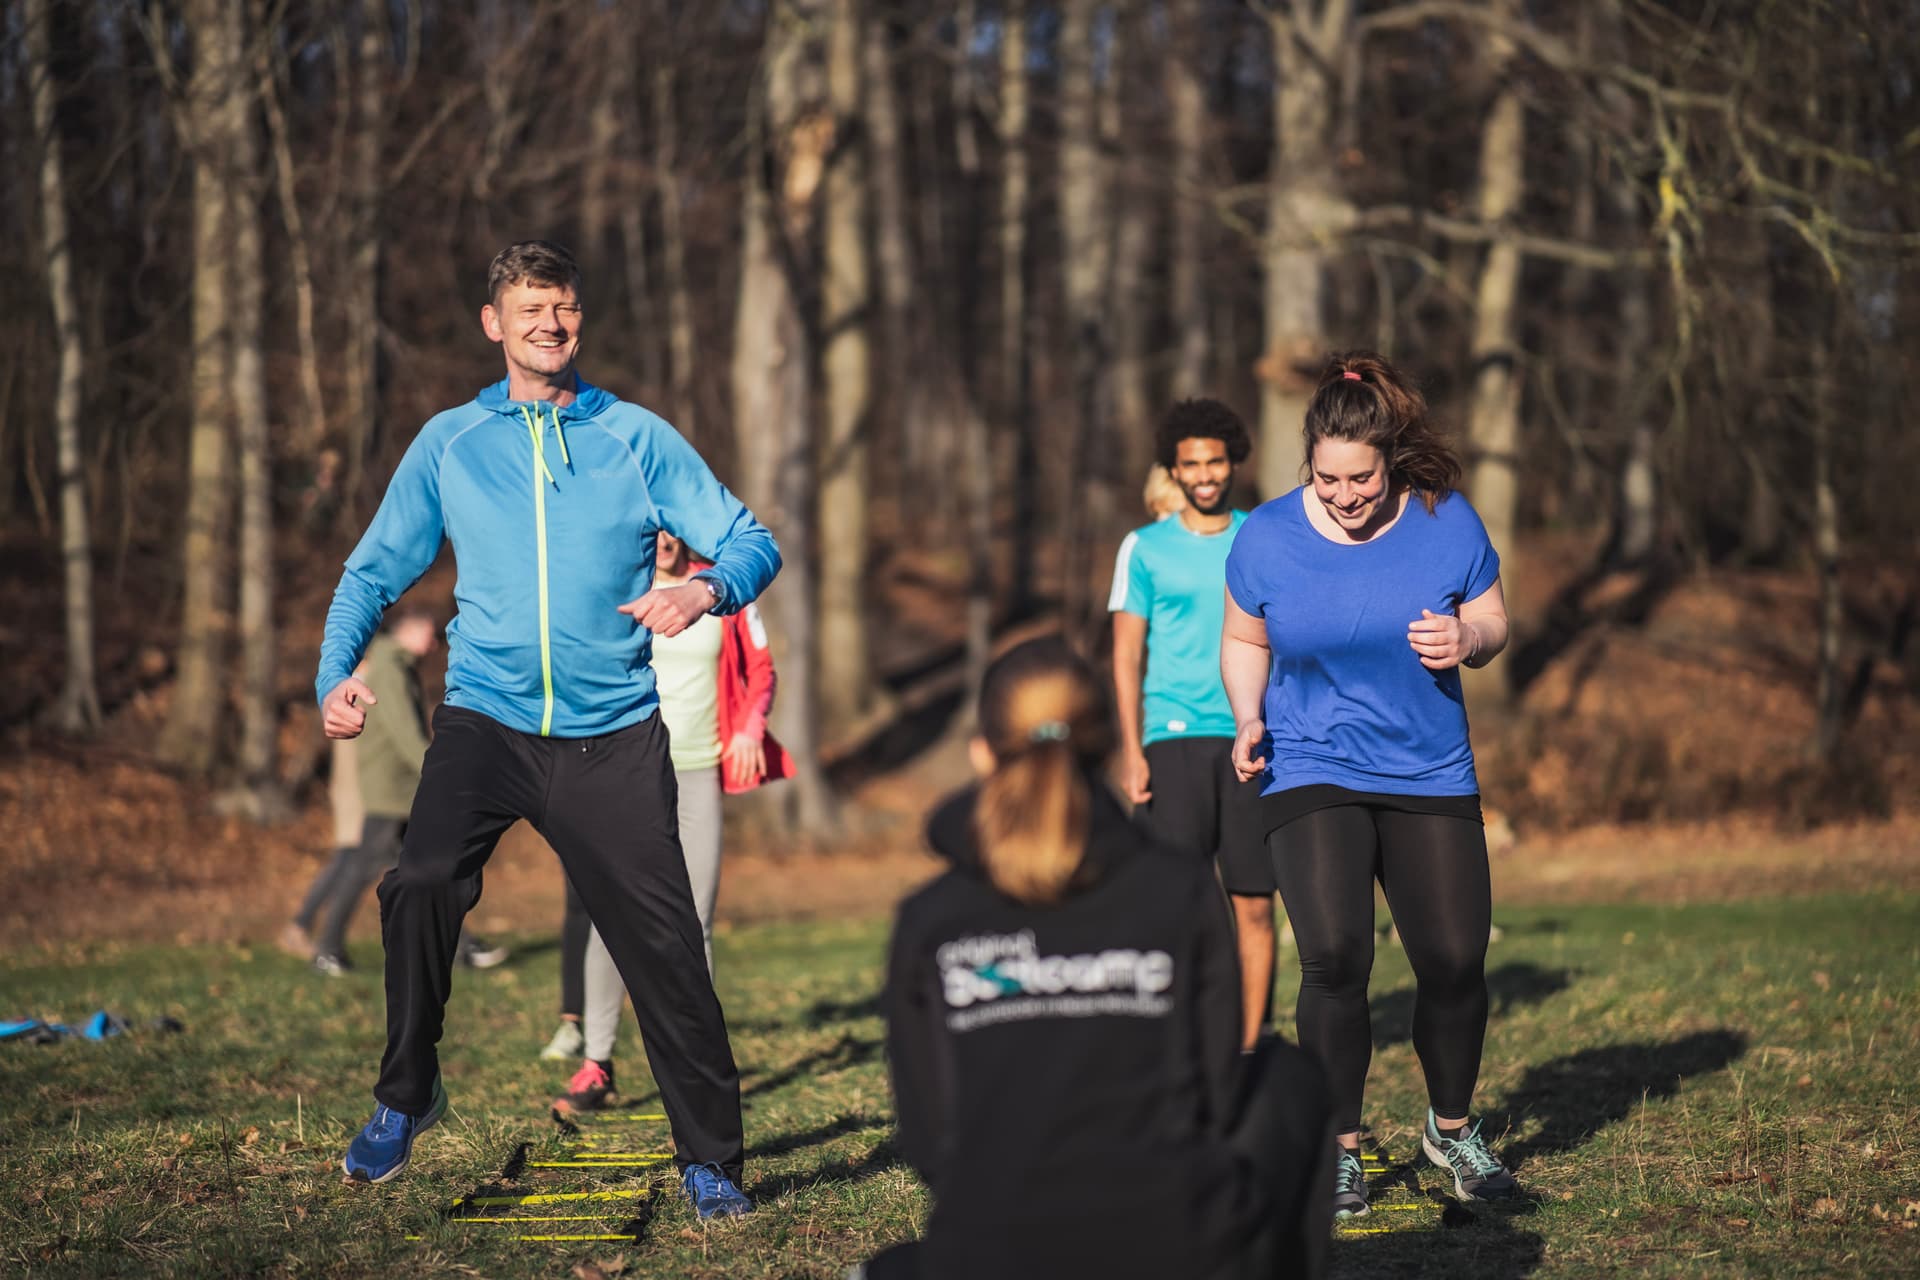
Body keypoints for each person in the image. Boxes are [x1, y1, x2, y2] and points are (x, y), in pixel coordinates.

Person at [315, 240, 778, 1219]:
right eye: (530, 309)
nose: (548, 325)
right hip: (486, 719)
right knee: (423, 880)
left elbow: (752, 540)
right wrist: (335, 675)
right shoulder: (449, 442)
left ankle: (710, 1160)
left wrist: (704, 588)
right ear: (495, 323)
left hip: (614, 734)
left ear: (579, 319)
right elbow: (371, 571)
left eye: (562, 308)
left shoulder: (635, 436)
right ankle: (406, 1095)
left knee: (668, 947)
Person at [860, 638, 1331, 1280]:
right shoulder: (1180, 888)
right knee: (1285, 1077)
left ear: (980, 753)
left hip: (991, 1252)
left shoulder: (930, 918)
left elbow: (930, 1135)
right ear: (1108, 747)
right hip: (1177, 1248)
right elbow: (1216, 1092)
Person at [1221, 350, 1518, 1219]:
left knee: (1457, 961)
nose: (1345, 495)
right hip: (1310, 761)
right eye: (1327, 478)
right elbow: (1245, 642)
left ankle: (1451, 1127)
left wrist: (1468, 638)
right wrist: (1248, 718)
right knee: (1338, 955)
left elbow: (1496, 616)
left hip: (1429, 768)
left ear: (1389, 460)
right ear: (1308, 462)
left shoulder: (1445, 519)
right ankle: (1338, 1150)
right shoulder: (1268, 536)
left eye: (1361, 478)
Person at [551, 529, 791, 1114]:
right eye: (651, 527)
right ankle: (596, 1064)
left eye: (671, 527)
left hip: (698, 770)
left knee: (695, 921)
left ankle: (695, 1066)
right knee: (613, 916)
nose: (662, 539)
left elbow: (761, 671)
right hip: (627, 773)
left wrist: (749, 727)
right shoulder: (613, 587)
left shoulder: (722, 589)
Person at [1108, 400, 1275, 1050]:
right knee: (1180, 903)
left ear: (1233, 461)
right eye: (1191, 464)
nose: (1204, 474)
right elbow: (1125, 654)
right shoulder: (1143, 548)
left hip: (1251, 738)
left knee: (1254, 904)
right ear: (1173, 471)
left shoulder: (1261, 537)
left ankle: (1249, 1047)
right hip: (1172, 739)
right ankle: (1186, 1040)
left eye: (1214, 461)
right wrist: (1133, 750)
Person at [283, 606, 507, 976]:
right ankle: (327, 949)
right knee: (362, 867)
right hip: (390, 787)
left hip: (399, 785)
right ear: (412, 631)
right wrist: (438, 772)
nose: (435, 644)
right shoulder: (388, 667)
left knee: (416, 869)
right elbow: (404, 730)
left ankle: (460, 946)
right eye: (430, 634)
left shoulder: (397, 665)